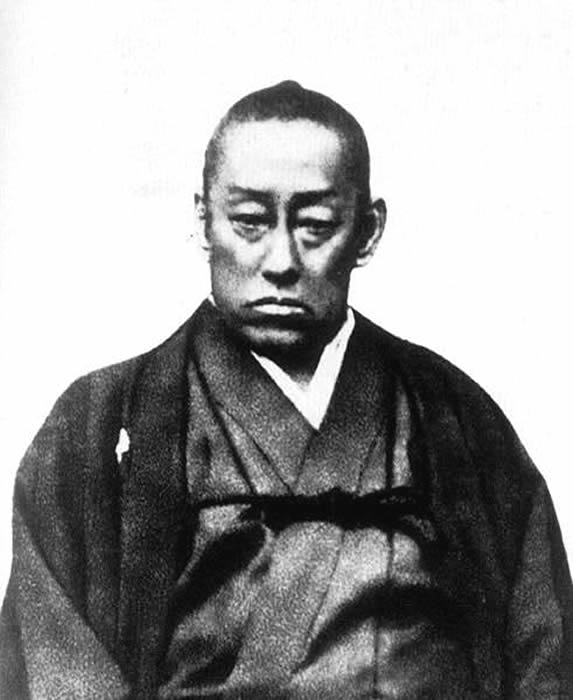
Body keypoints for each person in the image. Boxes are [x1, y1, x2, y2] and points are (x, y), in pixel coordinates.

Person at [0, 80, 571, 699]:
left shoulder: (450, 414)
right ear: (203, 220)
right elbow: (56, 663)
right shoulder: (104, 419)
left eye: (315, 225)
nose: (280, 261)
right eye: (249, 222)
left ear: (369, 231)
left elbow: (545, 652)